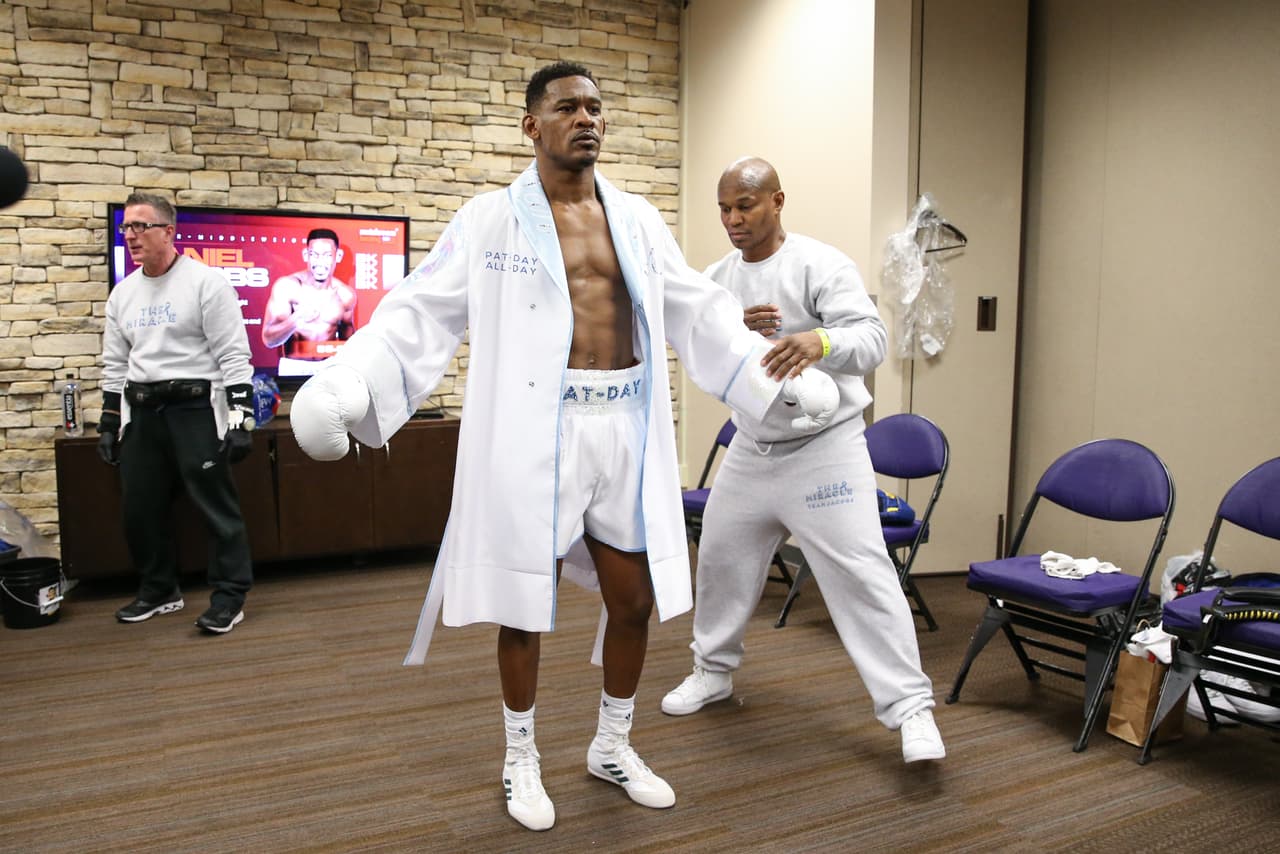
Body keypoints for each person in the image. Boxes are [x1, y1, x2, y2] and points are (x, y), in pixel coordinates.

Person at [289, 63, 838, 831]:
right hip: (534, 429)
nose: (588, 119)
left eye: (595, 107)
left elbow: (697, 310)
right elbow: (419, 310)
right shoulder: (489, 220)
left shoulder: (639, 219)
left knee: (634, 600)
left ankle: (612, 745)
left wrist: (769, 376)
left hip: (624, 427)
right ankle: (521, 757)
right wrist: (350, 380)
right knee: (525, 603)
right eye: (568, 107)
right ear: (532, 126)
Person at [660, 157, 946, 764]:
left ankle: (911, 711)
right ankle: (713, 671)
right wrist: (729, 329)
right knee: (719, 560)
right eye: (725, 208)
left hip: (826, 451)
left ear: (777, 201)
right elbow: (694, 347)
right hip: (752, 447)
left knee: (863, 574)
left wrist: (818, 340)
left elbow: (872, 339)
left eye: (745, 205)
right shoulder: (716, 278)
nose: (733, 219)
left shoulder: (820, 264)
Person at [99, 191, 257, 635]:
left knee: (215, 507)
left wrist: (241, 420)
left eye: (140, 226)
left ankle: (229, 597)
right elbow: (114, 365)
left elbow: (234, 356)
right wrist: (110, 423)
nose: (131, 236)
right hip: (144, 413)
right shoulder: (123, 294)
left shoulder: (207, 283)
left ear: (169, 231)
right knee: (140, 508)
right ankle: (159, 590)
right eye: (126, 227)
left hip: (196, 409)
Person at [260, 228, 356, 375]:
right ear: (306, 255)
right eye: (314, 255)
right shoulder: (288, 287)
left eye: (327, 255)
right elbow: (269, 339)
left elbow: (349, 344)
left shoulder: (345, 295)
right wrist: (296, 319)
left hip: (329, 366)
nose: (320, 262)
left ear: (338, 256)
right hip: (293, 366)